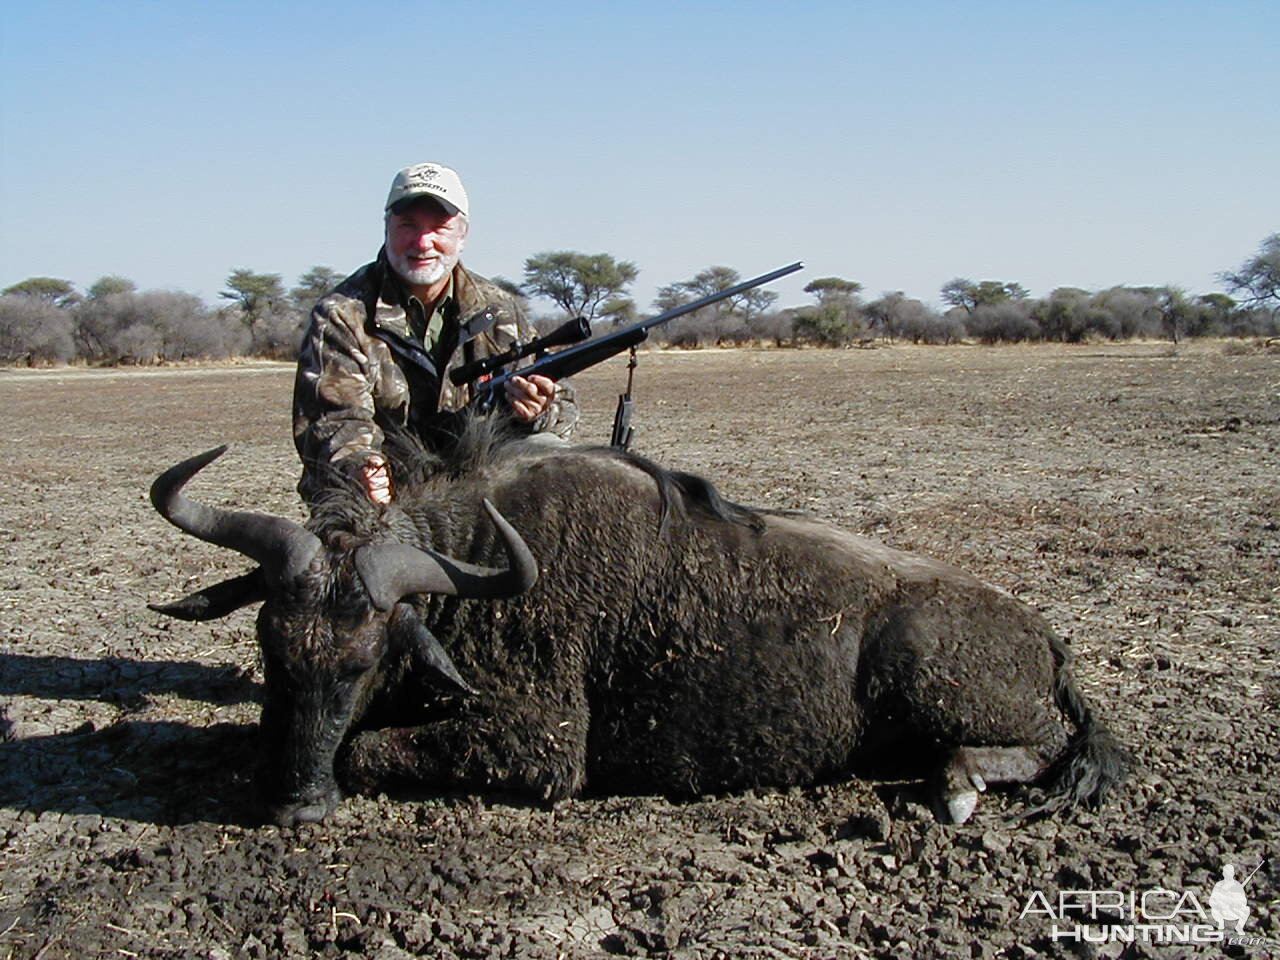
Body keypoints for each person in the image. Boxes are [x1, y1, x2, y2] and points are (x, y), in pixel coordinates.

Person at [293, 162, 577, 504]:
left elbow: (562, 407)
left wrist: (539, 410)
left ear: (462, 234)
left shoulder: (500, 309)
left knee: (550, 453)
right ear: (386, 228)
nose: (422, 242)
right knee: (352, 505)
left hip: (474, 490)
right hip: (386, 492)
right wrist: (359, 466)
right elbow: (334, 421)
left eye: (439, 227)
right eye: (407, 225)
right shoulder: (342, 313)